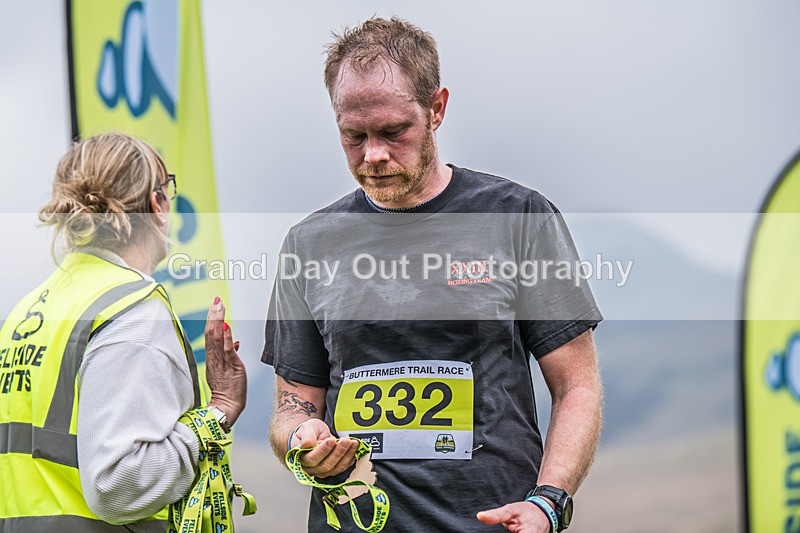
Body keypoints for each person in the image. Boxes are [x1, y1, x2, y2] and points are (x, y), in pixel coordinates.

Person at [264, 17, 603, 533]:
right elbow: (291, 408)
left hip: (493, 522)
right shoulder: (309, 243)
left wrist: (549, 502)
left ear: (437, 108)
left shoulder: (517, 218)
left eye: (393, 132)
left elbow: (577, 385)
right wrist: (302, 442)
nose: (373, 155)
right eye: (353, 136)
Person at [0, 132, 247, 532]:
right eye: (168, 188)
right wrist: (217, 413)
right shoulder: (133, 311)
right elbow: (116, 486)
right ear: (157, 206)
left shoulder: (29, 310)